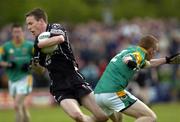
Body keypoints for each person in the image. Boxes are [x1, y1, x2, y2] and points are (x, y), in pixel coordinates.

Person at [25, 8, 108, 122]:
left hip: (74, 79)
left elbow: (60, 38)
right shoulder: (36, 43)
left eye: (30, 23)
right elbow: (42, 70)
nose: (29, 28)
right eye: (27, 25)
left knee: (103, 116)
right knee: (77, 116)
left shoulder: (54, 28)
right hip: (59, 86)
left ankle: (111, 112)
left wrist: (39, 45)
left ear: (40, 21)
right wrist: (36, 67)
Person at [94, 35, 178, 122]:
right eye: (155, 51)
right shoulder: (139, 54)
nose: (155, 53)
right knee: (150, 117)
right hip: (112, 93)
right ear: (150, 50)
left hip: (98, 95)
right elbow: (128, 58)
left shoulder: (132, 49)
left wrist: (167, 60)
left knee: (118, 119)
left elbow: (150, 64)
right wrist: (129, 62)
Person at [0, 23, 33, 122]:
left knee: (17, 105)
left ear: (23, 32)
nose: (17, 34)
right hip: (12, 79)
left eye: (19, 31)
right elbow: (0, 61)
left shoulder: (30, 46)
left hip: (25, 78)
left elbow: (38, 60)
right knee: (22, 107)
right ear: (12, 33)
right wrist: (9, 64)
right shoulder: (5, 47)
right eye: (15, 32)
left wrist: (30, 64)